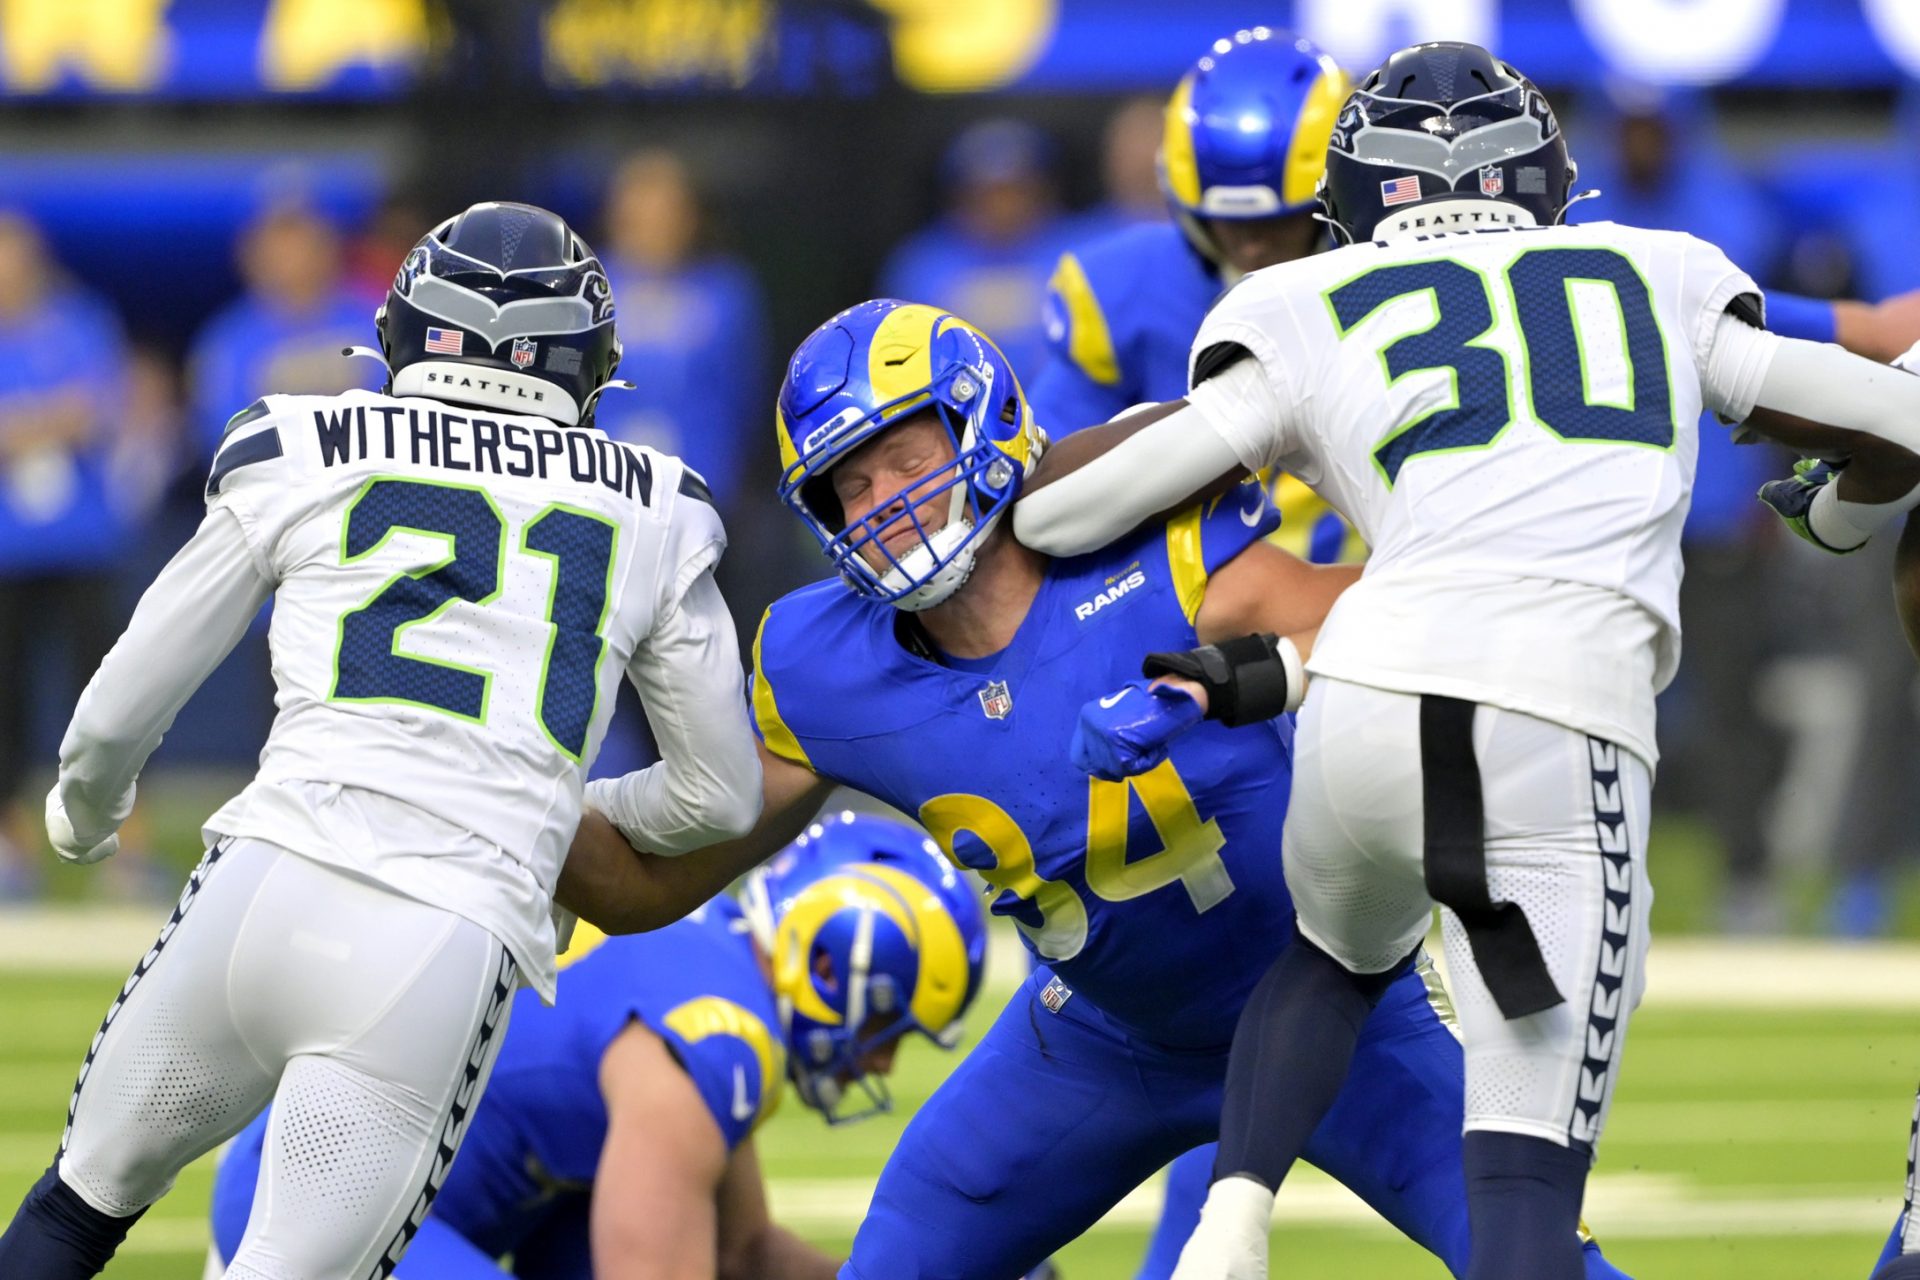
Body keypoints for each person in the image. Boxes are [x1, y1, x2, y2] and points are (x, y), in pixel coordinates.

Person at [1013, 41, 1920, 1280]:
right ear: (1547, 176)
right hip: (1558, 722)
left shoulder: (1300, 302)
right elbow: (1898, 415)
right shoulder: (1654, 269)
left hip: (1366, 696)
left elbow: (1065, 516)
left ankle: (1231, 1214)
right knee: (1522, 1185)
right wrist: (1845, 513)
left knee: (1333, 957)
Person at [558, 297, 1632, 1279]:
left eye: (901, 453)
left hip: (1331, 1004)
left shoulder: (1155, 552)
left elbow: (1392, 623)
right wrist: (513, 798)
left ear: (977, 421)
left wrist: (1246, 679)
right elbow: (648, 883)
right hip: (1098, 1037)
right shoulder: (820, 665)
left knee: (1534, 1261)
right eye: (852, 482)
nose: (882, 502)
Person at [0, 201, 762, 1280]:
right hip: (442, 939)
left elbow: (126, 696)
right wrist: (556, 810)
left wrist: (82, 814)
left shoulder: (306, 438)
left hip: (262, 880)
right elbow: (721, 796)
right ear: (589, 359)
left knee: (76, 1203)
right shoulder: (655, 503)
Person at [203, 811, 984, 1279]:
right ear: (829, 962)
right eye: (888, 1030)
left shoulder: (714, 986)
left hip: (325, 1173)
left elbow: (744, 1255)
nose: (879, 1062)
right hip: (324, 1202)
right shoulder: (721, 1033)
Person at [0, 210, 133, 899]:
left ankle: (124, 848)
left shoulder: (79, 321)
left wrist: (23, 424)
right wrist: (52, 417)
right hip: (7, 553)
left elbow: (101, 408)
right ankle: (11, 848)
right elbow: (73, 410)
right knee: (7, 707)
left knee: (109, 697)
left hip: (82, 545)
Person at [878, 119, 1078, 378]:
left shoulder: (1080, 252)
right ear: (958, 196)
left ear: (1043, 190)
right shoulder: (922, 264)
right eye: (986, 192)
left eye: (1015, 189)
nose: (1002, 204)